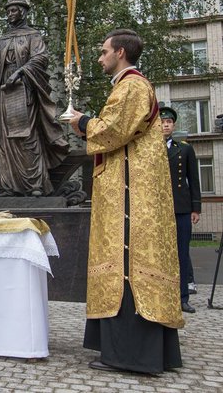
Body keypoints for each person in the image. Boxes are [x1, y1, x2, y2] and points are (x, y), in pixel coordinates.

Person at [68, 29, 183, 374]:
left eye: (104, 52)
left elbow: (113, 130)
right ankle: (126, 349)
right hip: (124, 186)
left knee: (127, 258)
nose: (100, 58)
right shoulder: (127, 86)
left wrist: (81, 122)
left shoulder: (132, 85)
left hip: (131, 196)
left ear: (119, 52)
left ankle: (130, 355)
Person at [0, 0, 68, 196]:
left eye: (14, 10)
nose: (10, 14)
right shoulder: (3, 39)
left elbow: (40, 58)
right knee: (5, 140)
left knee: (26, 138)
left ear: (24, 12)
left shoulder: (33, 35)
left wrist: (21, 72)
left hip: (22, 89)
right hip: (3, 92)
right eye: (8, 10)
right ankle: (10, 185)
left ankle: (35, 185)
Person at [160, 106, 201, 314]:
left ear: (173, 125)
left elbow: (193, 179)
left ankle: (182, 297)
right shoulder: (149, 149)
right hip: (157, 210)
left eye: (168, 122)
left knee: (181, 253)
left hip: (181, 208)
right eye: (162, 122)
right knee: (158, 254)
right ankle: (160, 295)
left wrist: (196, 208)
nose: (165, 125)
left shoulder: (184, 148)